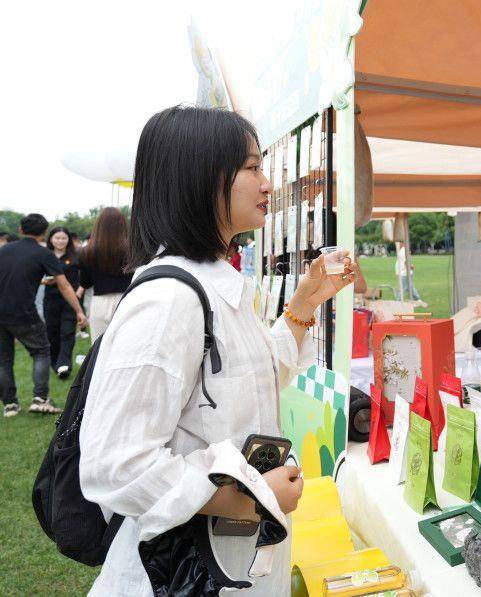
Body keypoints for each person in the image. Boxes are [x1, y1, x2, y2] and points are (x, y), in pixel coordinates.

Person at [78, 106, 355, 595]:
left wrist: (305, 302)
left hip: (225, 562)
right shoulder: (168, 301)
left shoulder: (213, 283)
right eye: (251, 167)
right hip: (176, 573)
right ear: (201, 178)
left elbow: (254, 377)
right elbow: (115, 462)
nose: (268, 184)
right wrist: (243, 496)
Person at [0, 214, 87, 417]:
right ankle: (40, 398)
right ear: (45, 233)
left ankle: (10, 405)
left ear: (21, 230)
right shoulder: (43, 253)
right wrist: (79, 310)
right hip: (23, 313)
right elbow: (65, 285)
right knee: (41, 351)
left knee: (3, 360)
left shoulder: (4, 250)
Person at [79, 207, 133, 343]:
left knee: (99, 349)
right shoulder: (133, 250)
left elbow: (85, 283)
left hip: (100, 303)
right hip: (128, 299)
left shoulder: (87, 251)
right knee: (127, 346)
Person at [43, 226, 81, 379]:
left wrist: (79, 292)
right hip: (51, 300)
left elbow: (81, 277)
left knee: (67, 332)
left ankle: (64, 364)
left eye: (64, 238)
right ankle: (55, 363)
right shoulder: (45, 256)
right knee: (52, 333)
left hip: (69, 300)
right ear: (51, 239)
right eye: (57, 238)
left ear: (68, 240)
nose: (60, 241)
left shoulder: (74, 257)